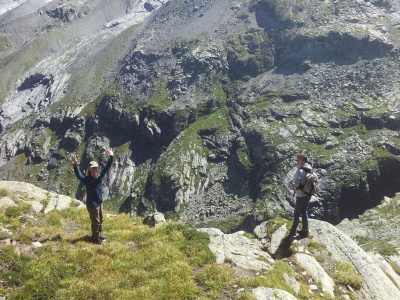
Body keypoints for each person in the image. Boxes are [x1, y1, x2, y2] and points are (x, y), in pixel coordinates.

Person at [70, 148, 114, 244]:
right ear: (89, 169)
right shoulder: (87, 179)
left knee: (100, 220)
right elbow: (78, 175)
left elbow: (107, 168)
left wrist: (111, 156)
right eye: (93, 168)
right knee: (96, 222)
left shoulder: (99, 177)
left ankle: (99, 235)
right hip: (92, 205)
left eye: (96, 168)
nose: (95, 170)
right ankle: (95, 239)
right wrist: (75, 165)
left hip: (99, 203)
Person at [289, 154, 312, 237]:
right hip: (308, 193)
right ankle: (305, 229)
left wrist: (293, 185)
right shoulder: (309, 168)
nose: (296, 161)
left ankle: (293, 230)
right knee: (304, 211)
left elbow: (297, 184)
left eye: (298, 160)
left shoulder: (300, 170)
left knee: (297, 213)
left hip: (301, 194)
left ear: (303, 160)